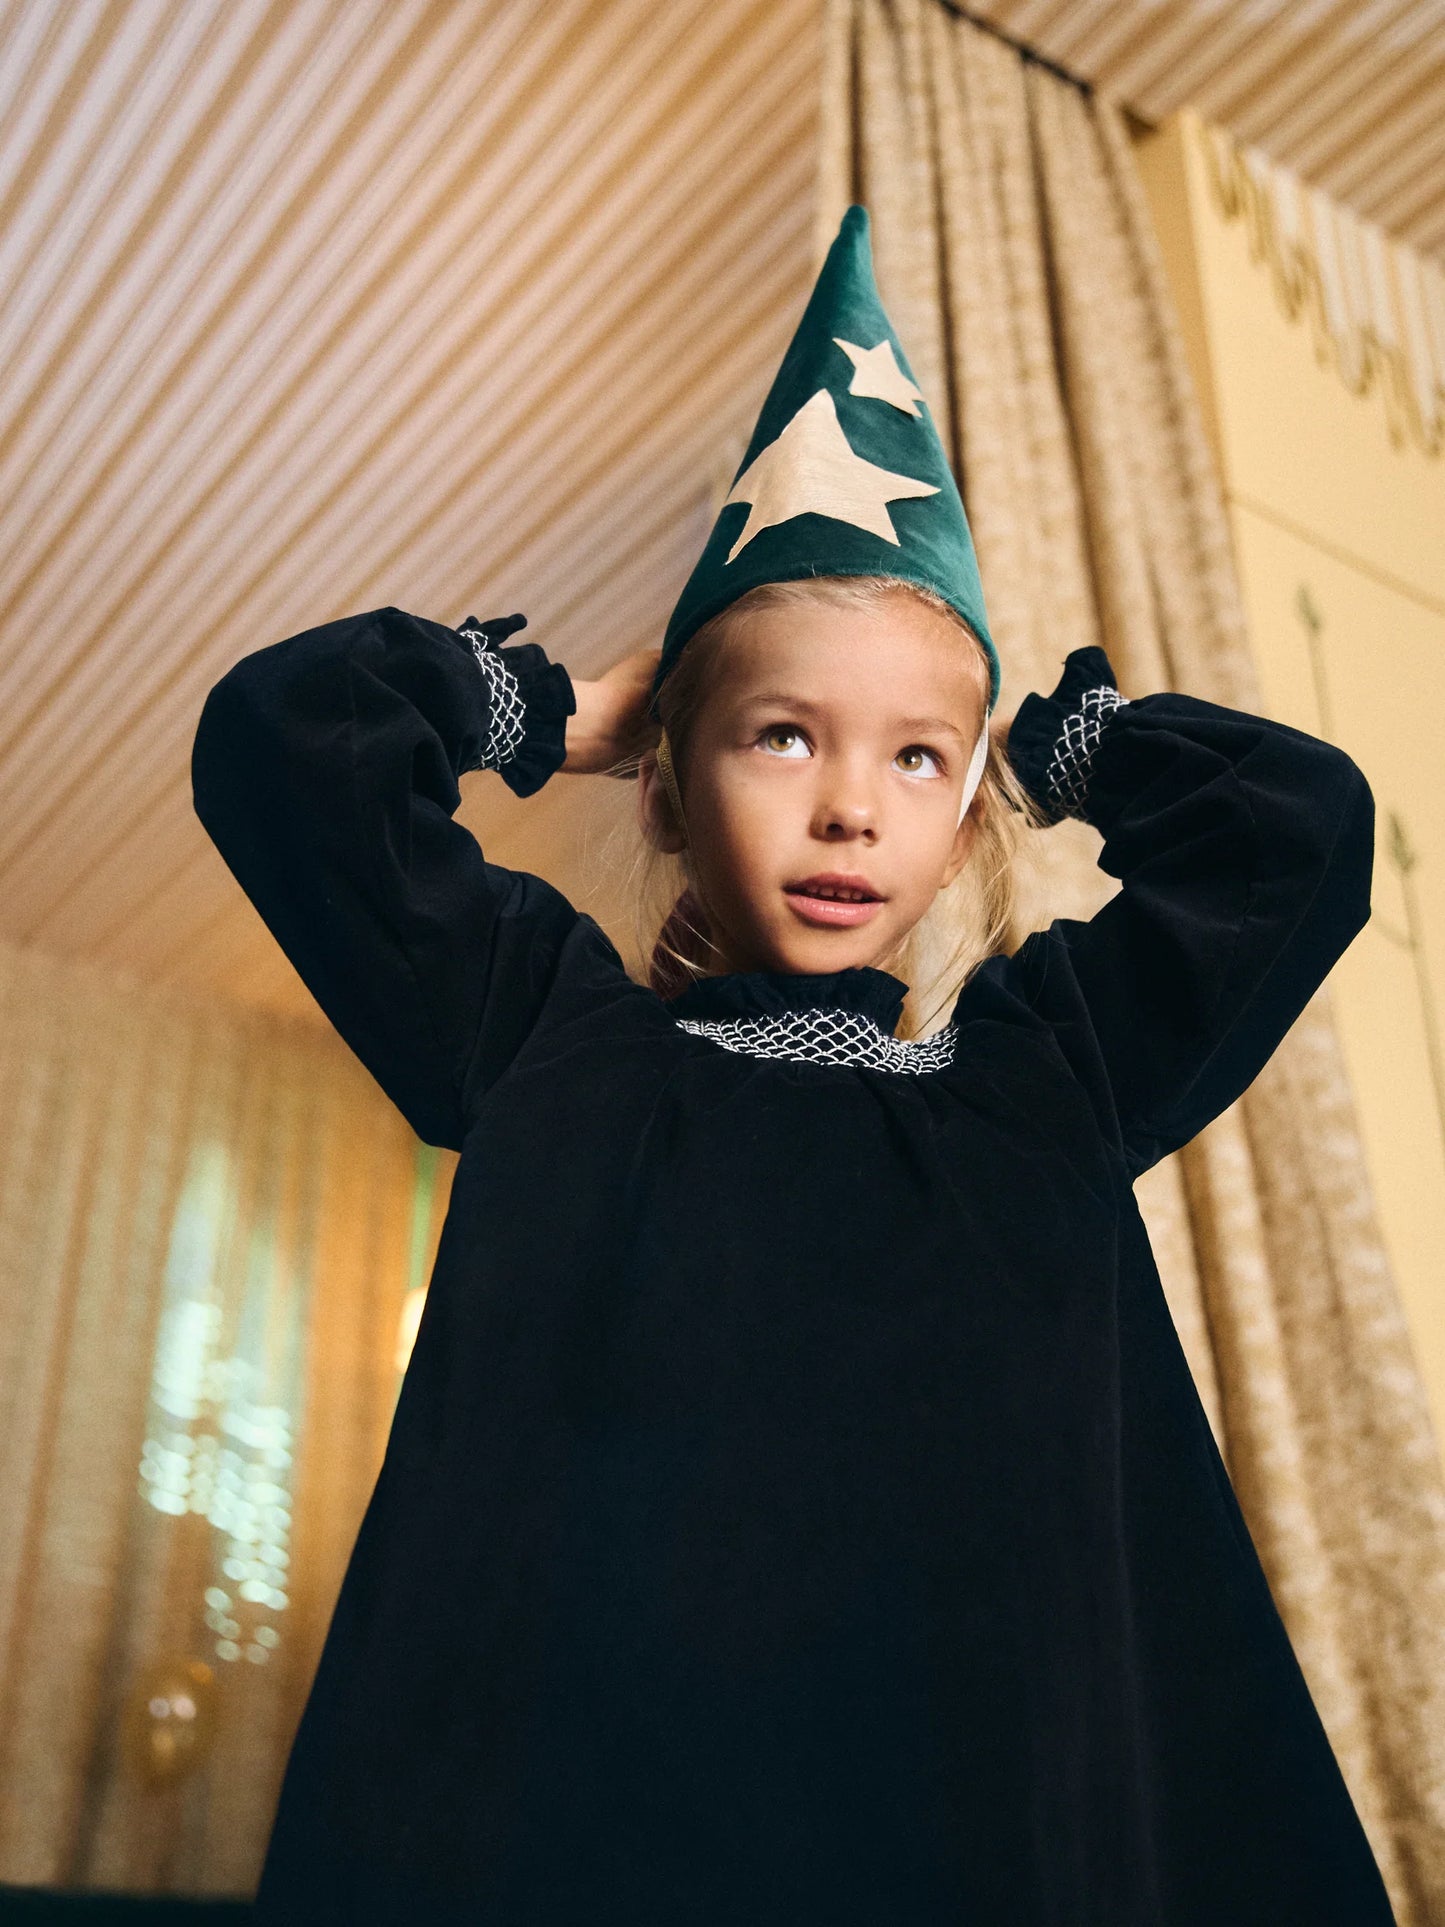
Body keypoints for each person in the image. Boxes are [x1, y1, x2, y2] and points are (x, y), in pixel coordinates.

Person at [192, 207, 1396, 1924]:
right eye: (780, 736)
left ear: (967, 811)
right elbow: (283, 744)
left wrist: (1061, 745)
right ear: (673, 788)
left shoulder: (1045, 1076)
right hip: (606, 1845)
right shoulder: (541, 1038)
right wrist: (549, 711)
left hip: (994, 1844)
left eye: (916, 757)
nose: (849, 805)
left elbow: (1298, 838)